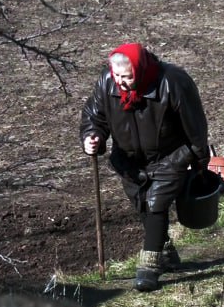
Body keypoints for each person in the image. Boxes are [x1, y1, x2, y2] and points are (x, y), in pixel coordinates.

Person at [79, 42, 210, 292]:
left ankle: (149, 268)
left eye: (126, 77)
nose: (121, 83)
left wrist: (199, 161)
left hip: (171, 155)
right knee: (141, 203)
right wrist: (92, 136)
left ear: (139, 70)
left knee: (155, 204)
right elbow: (94, 116)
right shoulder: (106, 83)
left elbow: (196, 130)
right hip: (129, 161)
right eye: (117, 76)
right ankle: (165, 249)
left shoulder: (173, 82)